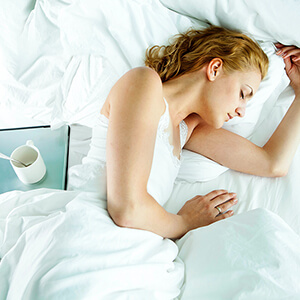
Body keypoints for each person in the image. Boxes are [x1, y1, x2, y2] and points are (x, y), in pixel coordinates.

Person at [98, 26, 300, 239]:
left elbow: (273, 164)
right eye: (243, 94)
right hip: (99, 233)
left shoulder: (186, 129)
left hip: (141, 248)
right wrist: (186, 221)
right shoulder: (143, 82)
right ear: (214, 69)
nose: (242, 112)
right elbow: (128, 210)